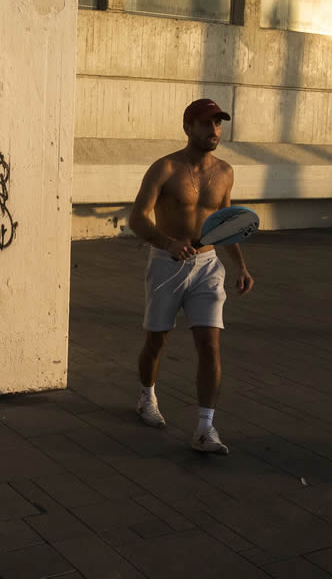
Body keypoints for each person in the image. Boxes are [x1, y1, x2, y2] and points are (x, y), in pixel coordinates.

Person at [128, 99, 254, 455]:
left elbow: (226, 222)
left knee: (210, 344)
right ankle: (146, 396)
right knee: (157, 341)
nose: (214, 130)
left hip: (208, 267)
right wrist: (167, 243)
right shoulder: (165, 168)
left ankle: (204, 429)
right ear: (188, 127)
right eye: (205, 123)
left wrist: (241, 266)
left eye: (218, 123)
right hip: (167, 264)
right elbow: (137, 218)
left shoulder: (226, 171)